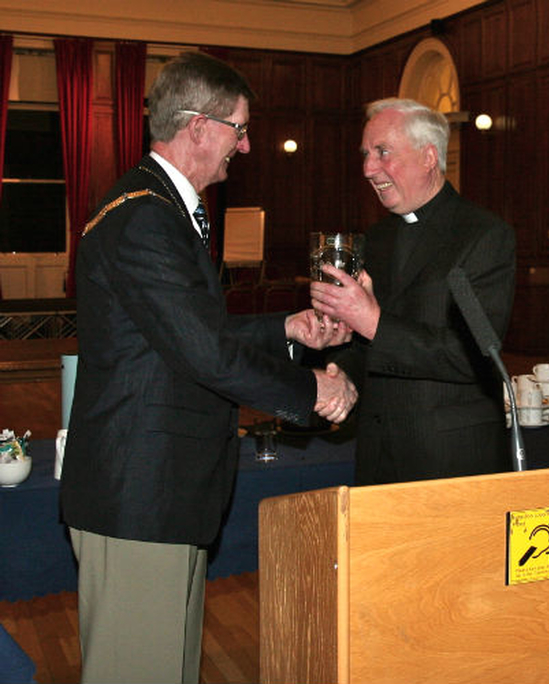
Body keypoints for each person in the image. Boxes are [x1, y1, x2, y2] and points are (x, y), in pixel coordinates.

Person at [60, 51, 356, 684]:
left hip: (162, 491)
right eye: (239, 130)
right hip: (141, 494)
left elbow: (187, 334)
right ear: (198, 126)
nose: (245, 148)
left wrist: (286, 328)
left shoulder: (156, 206)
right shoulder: (146, 217)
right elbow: (203, 353)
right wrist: (313, 390)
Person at [310, 97, 515, 485]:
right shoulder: (376, 238)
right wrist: (344, 376)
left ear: (428, 157)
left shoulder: (484, 235)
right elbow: (367, 348)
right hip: (377, 453)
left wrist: (371, 321)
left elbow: (471, 357)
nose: (369, 168)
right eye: (366, 154)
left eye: (382, 152)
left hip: (451, 460)